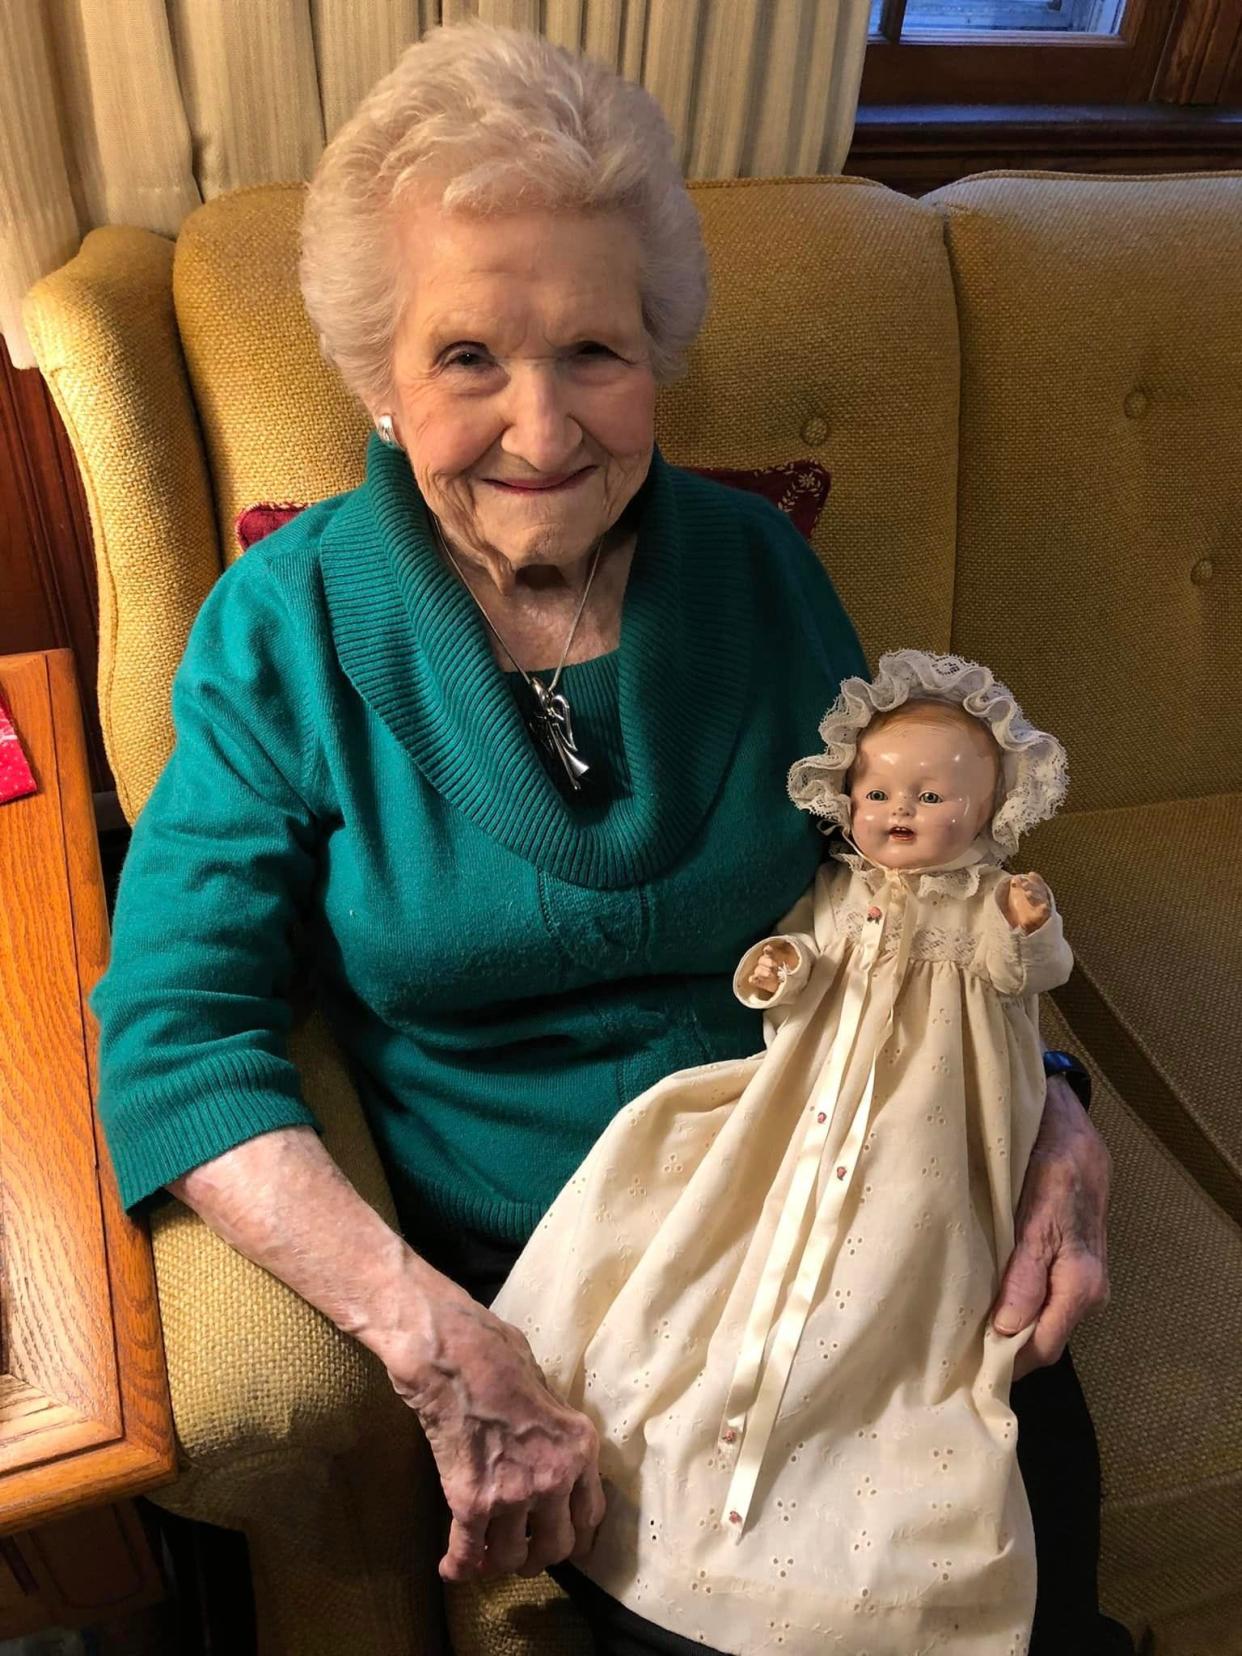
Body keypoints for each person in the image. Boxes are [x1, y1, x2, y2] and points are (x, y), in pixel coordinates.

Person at [89, 21, 1119, 1656]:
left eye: (593, 351)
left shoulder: (750, 568)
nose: (543, 427)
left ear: (659, 350)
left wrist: (1048, 1107)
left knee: (1018, 1565)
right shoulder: (280, 635)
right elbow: (175, 1041)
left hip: (862, 1181)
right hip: (576, 1276)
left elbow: (906, 872)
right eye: (468, 358)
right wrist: (442, 1346)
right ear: (372, 372)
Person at [493, 651, 1075, 1655]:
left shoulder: (984, 897)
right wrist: (781, 968)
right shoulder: (844, 888)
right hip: (812, 1102)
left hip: (933, 1120)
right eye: (879, 792)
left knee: (913, 1253)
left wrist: (1026, 925)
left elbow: (1027, 972)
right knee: (694, 1167)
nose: (898, 812)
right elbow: (798, 967)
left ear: (989, 812)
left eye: (931, 796)